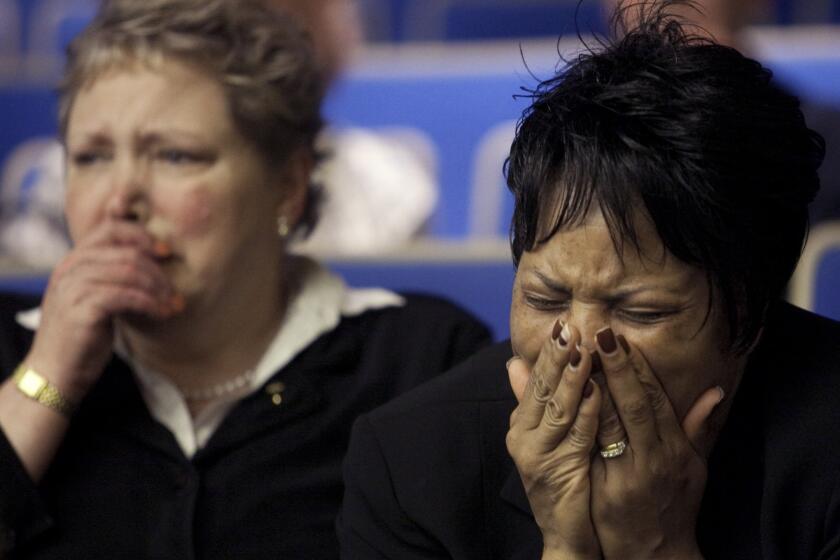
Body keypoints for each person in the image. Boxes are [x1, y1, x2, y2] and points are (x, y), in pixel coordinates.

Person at [338, 1, 840, 558]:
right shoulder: (411, 463)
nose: (577, 345)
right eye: (544, 298)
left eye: (640, 312)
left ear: (745, 311)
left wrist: (656, 547)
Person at [0, 0, 490, 557]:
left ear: (288, 184)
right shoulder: (9, 346)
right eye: (90, 157)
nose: (120, 200)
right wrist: (45, 379)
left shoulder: (420, 362)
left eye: (175, 156)